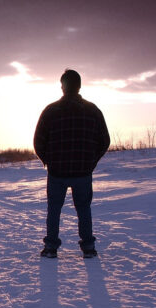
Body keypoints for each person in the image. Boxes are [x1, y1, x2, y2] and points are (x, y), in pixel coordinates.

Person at [34, 69, 110, 258]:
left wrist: (48, 161)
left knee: (54, 209)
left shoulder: (51, 111)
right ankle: (89, 248)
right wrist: (91, 161)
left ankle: (51, 248)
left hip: (57, 172)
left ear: (62, 87)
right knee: (84, 209)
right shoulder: (93, 110)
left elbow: (38, 141)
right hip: (83, 171)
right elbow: (105, 140)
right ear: (79, 86)